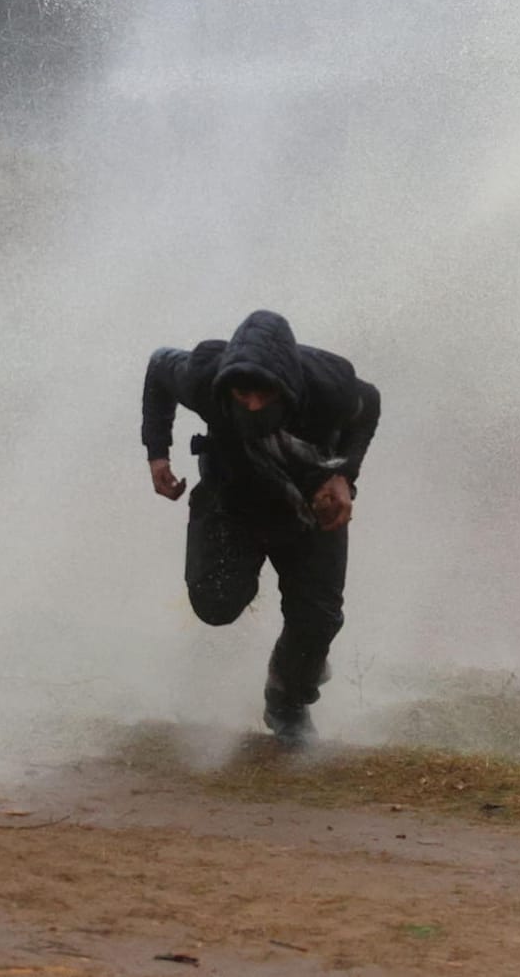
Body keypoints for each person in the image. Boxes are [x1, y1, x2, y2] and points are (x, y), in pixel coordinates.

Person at [142, 310, 382, 747]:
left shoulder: (330, 388)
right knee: (215, 603)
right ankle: (240, 635)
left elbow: (370, 408)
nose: (251, 405)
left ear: (287, 387)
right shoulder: (204, 377)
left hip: (311, 505)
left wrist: (344, 474)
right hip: (231, 503)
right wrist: (157, 452)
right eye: (242, 394)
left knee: (317, 620)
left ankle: (287, 698)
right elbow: (159, 367)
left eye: (264, 395)